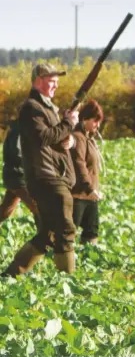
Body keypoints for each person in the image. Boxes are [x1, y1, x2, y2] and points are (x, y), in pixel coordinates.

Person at [1, 63, 79, 277]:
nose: (55, 84)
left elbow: (55, 136)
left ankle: (9, 275)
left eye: (56, 80)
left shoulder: (48, 108)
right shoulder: (31, 108)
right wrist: (68, 123)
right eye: (50, 80)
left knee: (49, 234)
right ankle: (68, 284)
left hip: (54, 175)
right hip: (45, 176)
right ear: (37, 80)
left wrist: (69, 139)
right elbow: (43, 137)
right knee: (65, 230)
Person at [70, 100, 104, 246]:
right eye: (95, 121)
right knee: (69, 231)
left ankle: (86, 261)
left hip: (90, 195)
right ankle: (61, 262)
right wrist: (89, 188)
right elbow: (79, 164)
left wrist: (93, 191)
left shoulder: (89, 138)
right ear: (84, 119)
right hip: (78, 194)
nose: (98, 125)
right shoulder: (78, 137)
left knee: (91, 231)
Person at [0, 119, 40, 229]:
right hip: (17, 176)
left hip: (16, 175)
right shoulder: (19, 130)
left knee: (6, 209)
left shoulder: (23, 128)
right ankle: (43, 238)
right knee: (38, 206)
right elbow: (17, 153)